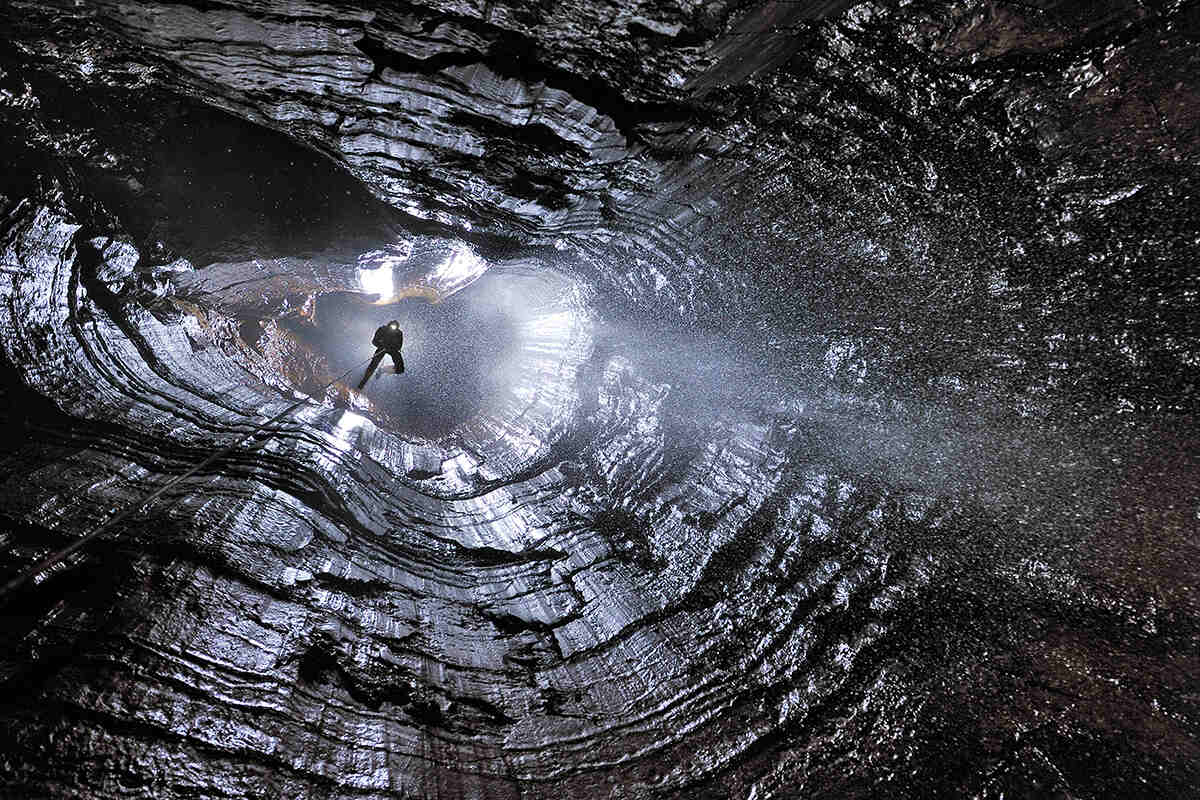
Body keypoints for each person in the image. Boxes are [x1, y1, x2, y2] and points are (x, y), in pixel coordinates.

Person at [356, 320, 404, 390]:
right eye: (392, 326)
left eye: (395, 327)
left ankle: (382, 370)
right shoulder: (382, 329)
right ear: (389, 325)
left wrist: (393, 348)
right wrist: (381, 345)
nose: (393, 328)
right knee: (373, 365)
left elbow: (399, 345)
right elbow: (374, 341)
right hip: (382, 348)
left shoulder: (399, 333)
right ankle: (362, 383)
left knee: (400, 369)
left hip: (392, 350)